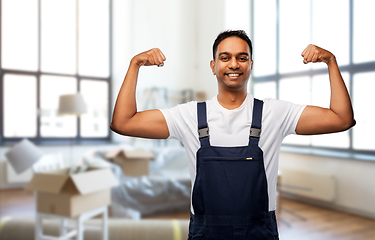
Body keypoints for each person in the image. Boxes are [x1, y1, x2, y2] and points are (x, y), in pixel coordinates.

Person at [110, 30, 355, 240]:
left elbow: (341, 119)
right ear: (213, 66)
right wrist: (135, 65)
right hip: (205, 231)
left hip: (259, 231)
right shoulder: (189, 116)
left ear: (251, 64)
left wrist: (331, 61)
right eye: (225, 58)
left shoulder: (275, 112)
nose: (234, 64)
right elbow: (123, 122)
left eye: (242, 57)